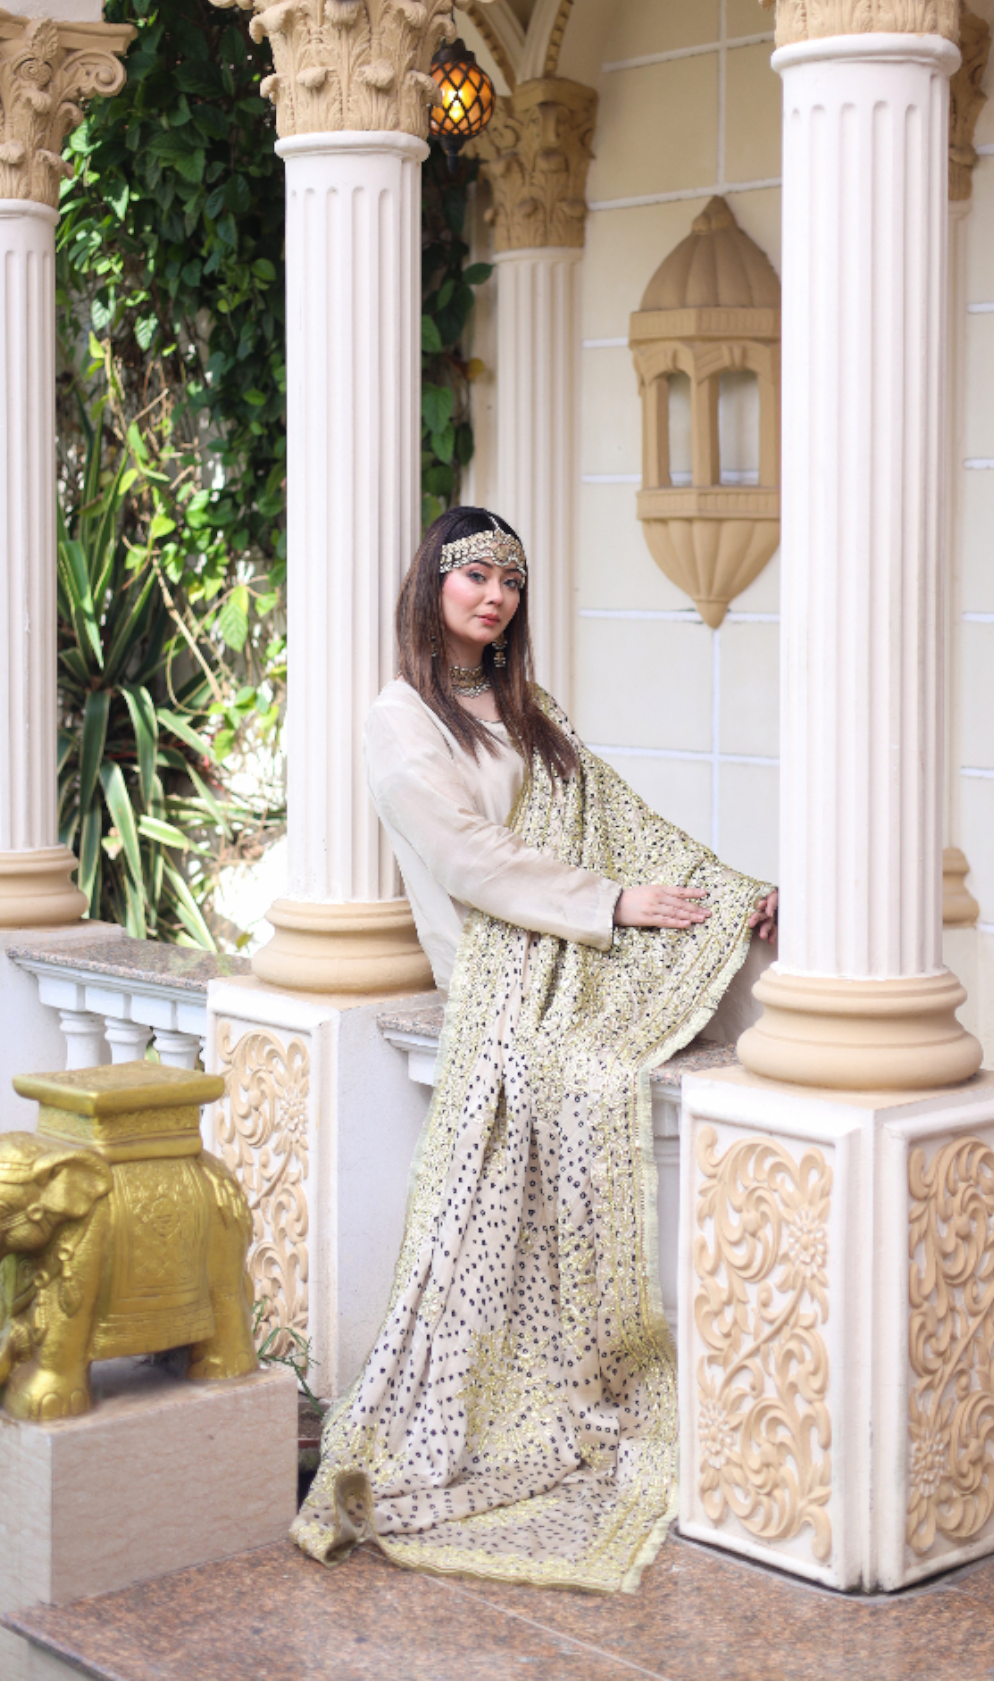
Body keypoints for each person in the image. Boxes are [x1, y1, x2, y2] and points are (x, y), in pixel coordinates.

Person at [290, 506, 776, 1594]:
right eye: (473, 575)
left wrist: (729, 892)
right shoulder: (401, 716)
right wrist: (611, 901)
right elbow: (470, 856)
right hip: (499, 959)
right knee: (589, 1070)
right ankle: (567, 1385)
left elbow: (622, 819)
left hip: (572, 934)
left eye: (510, 577)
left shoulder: (525, 707)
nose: (495, 593)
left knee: (720, 969)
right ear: (433, 590)